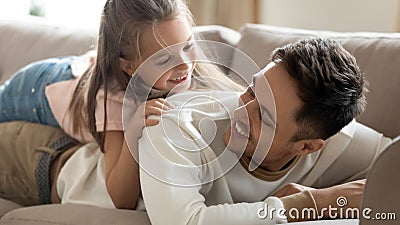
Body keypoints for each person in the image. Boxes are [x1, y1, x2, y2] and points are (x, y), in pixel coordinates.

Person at [0, 0, 241, 209]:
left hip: (77, 69)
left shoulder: (189, 69)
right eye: (165, 59)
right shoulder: (113, 98)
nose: (185, 65)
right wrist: (133, 132)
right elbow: (121, 198)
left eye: (188, 46)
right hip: (33, 91)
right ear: (128, 66)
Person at [138, 38, 392, 224]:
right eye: (250, 90)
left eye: (264, 117)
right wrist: (309, 203)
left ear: (307, 146)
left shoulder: (342, 141)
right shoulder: (178, 127)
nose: (242, 111)